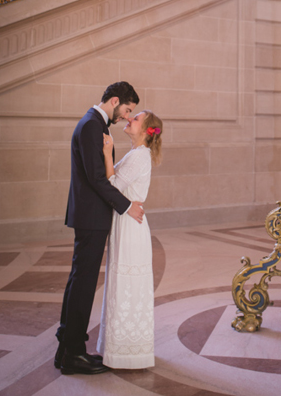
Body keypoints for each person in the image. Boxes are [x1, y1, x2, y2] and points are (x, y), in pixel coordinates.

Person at [56, 82, 145, 375]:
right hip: (91, 216)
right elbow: (97, 178)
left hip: (88, 215)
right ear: (115, 100)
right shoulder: (93, 126)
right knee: (82, 284)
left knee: (78, 280)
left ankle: (66, 347)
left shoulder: (92, 123)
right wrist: (126, 205)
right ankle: (73, 354)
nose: (126, 116)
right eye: (127, 110)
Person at [97, 110, 162, 369]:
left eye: (135, 118)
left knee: (126, 284)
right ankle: (119, 347)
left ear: (147, 131)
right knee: (120, 283)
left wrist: (106, 153)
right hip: (126, 220)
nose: (129, 119)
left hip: (130, 226)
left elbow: (113, 186)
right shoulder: (136, 154)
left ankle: (127, 352)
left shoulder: (139, 157)